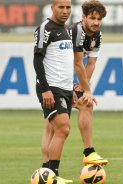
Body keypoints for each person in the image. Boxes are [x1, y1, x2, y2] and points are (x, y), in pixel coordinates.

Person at [33, 0, 96, 183]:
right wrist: (46, 90)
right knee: (63, 128)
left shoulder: (68, 30)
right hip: (51, 88)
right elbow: (37, 60)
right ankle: (52, 176)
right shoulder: (46, 28)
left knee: (59, 130)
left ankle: (48, 174)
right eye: (61, 7)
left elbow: (74, 61)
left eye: (68, 7)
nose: (65, 11)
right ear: (52, 8)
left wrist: (79, 87)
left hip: (66, 88)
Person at [68, 0, 108, 165]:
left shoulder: (97, 35)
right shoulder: (76, 31)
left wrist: (83, 88)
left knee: (86, 104)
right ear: (83, 17)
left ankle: (89, 152)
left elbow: (90, 63)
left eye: (99, 19)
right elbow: (78, 64)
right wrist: (86, 90)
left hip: (65, 79)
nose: (96, 22)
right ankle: (48, 169)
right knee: (56, 125)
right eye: (92, 18)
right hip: (52, 78)